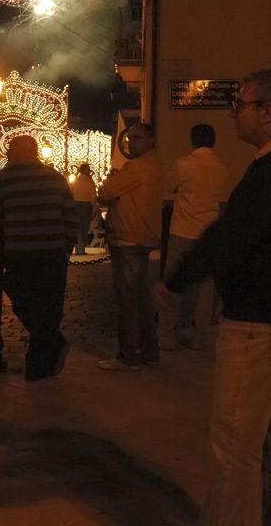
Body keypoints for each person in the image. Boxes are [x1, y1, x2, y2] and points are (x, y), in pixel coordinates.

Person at [155, 69, 271, 526]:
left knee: (235, 447)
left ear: (268, 112)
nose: (235, 114)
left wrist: (174, 280)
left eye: (242, 105)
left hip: (263, 324)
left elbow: (232, 234)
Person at [0, 135, 78, 381]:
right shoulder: (55, 177)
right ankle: (45, 356)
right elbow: (70, 215)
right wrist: (67, 246)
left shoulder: (5, 179)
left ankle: (41, 361)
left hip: (19, 253)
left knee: (21, 298)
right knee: (49, 306)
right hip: (51, 252)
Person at [97, 121, 164, 371]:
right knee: (142, 299)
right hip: (143, 236)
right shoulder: (154, 164)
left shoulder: (137, 167)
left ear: (149, 142)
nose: (131, 142)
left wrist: (113, 183)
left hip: (128, 237)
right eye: (129, 138)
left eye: (137, 138)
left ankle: (130, 355)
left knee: (128, 299)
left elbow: (105, 192)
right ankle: (149, 352)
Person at [158, 124, 230, 350]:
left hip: (182, 228)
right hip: (208, 231)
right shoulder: (221, 168)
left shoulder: (182, 165)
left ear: (193, 140)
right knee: (205, 289)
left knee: (173, 282)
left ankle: (166, 335)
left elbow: (168, 188)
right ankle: (200, 336)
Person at [71, 162, 97, 254]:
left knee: (78, 228)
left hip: (75, 205)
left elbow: (71, 194)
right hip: (86, 206)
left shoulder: (75, 182)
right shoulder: (90, 182)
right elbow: (93, 197)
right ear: (85, 170)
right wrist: (94, 208)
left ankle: (79, 248)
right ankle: (81, 249)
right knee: (84, 228)